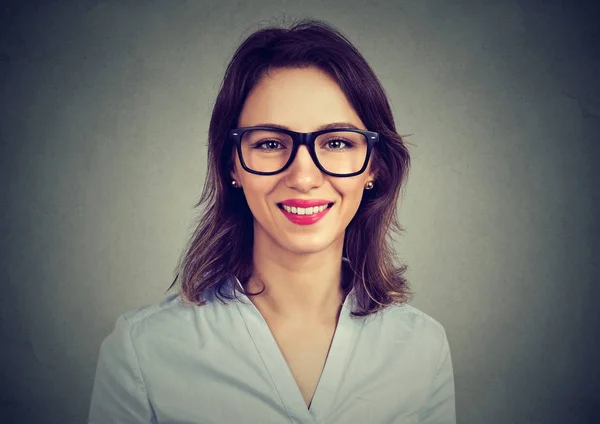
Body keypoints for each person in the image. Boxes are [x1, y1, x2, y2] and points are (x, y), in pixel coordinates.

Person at [88, 18, 456, 424]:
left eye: (336, 142)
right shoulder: (142, 352)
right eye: (269, 143)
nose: (303, 177)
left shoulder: (423, 348)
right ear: (233, 165)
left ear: (375, 167)